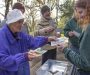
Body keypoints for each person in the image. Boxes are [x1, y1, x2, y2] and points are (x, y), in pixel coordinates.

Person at [0, 9, 55, 75]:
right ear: (11, 22)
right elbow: (3, 60)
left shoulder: (19, 33)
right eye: (19, 22)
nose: (21, 25)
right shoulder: (2, 36)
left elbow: (31, 41)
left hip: (23, 70)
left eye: (22, 22)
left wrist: (46, 39)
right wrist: (24, 56)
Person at [57, 0, 90, 75]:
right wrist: (68, 33)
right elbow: (65, 31)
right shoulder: (70, 22)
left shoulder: (86, 24)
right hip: (75, 46)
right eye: (77, 12)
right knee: (74, 65)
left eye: (80, 12)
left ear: (88, 9)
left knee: (78, 64)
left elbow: (85, 63)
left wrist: (65, 50)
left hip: (82, 50)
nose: (79, 15)